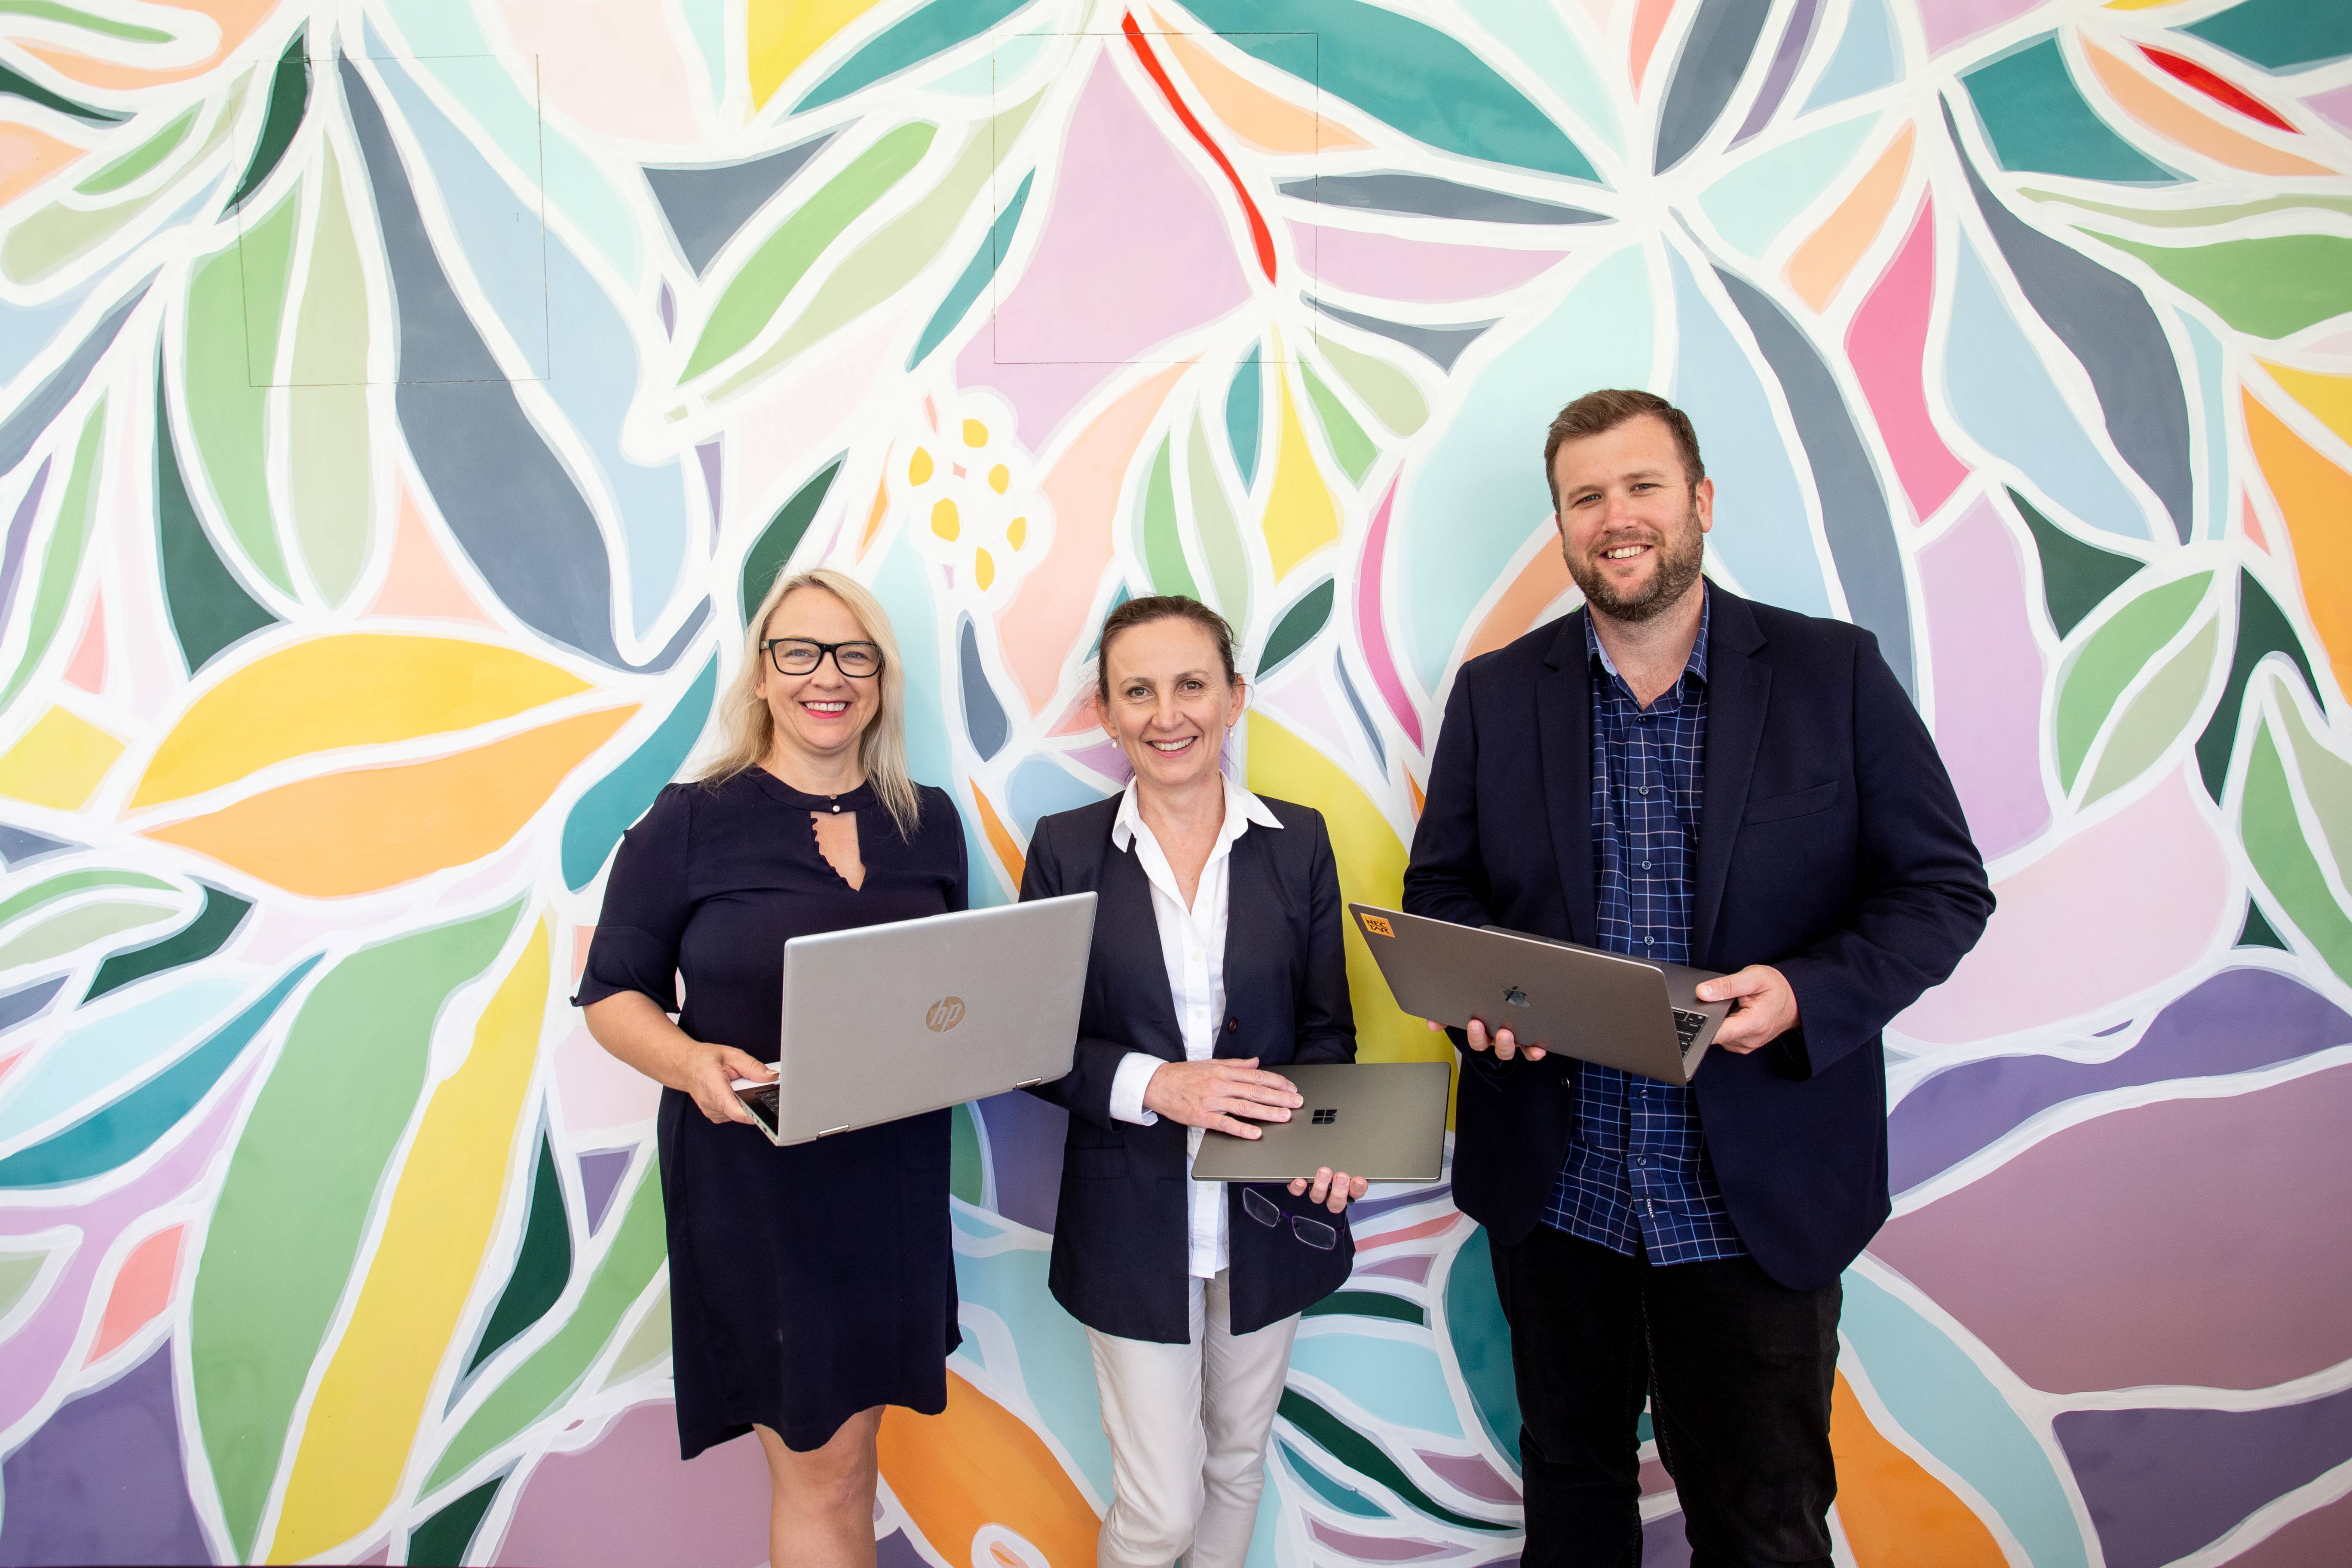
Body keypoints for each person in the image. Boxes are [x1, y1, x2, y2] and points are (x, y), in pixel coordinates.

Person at [1402, 390, 1994, 1567]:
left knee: (1763, 1528)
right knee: (1572, 1509)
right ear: (1564, 528)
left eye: (1641, 488)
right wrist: (1488, 1014)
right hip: (1559, 1195)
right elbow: (1443, 902)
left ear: (1700, 503)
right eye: (1585, 498)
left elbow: (1943, 892)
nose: (1615, 518)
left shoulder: (1835, 676)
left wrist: (1805, 993)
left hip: (1750, 1202)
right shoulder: (1496, 695)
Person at [576, 567, 968, 1568]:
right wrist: (688, 1058)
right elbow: (613, 996)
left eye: (852, 654)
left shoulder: (928, 820)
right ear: (761, 675)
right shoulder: (690, 820)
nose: (824, 676)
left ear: (880, 679)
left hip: (890, 1184)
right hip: (758, 1187)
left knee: (855, 1456)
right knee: (824, 1470)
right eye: (798, 651)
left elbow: (945, 993)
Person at [1019, 595, 1366, 1568]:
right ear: (1106, 710)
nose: (1166, 714)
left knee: (1238, 1466)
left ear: (1233, 698)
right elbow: (1032, 1046)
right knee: (1161, 1510)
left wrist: (1333, 1140)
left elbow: (1327, 1033)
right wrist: (1156, 1084)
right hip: (1129, 1215)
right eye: (1138, 691)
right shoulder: (1064, 850)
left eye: (1189, 685)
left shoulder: (1299, 842)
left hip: (1271, 1207)